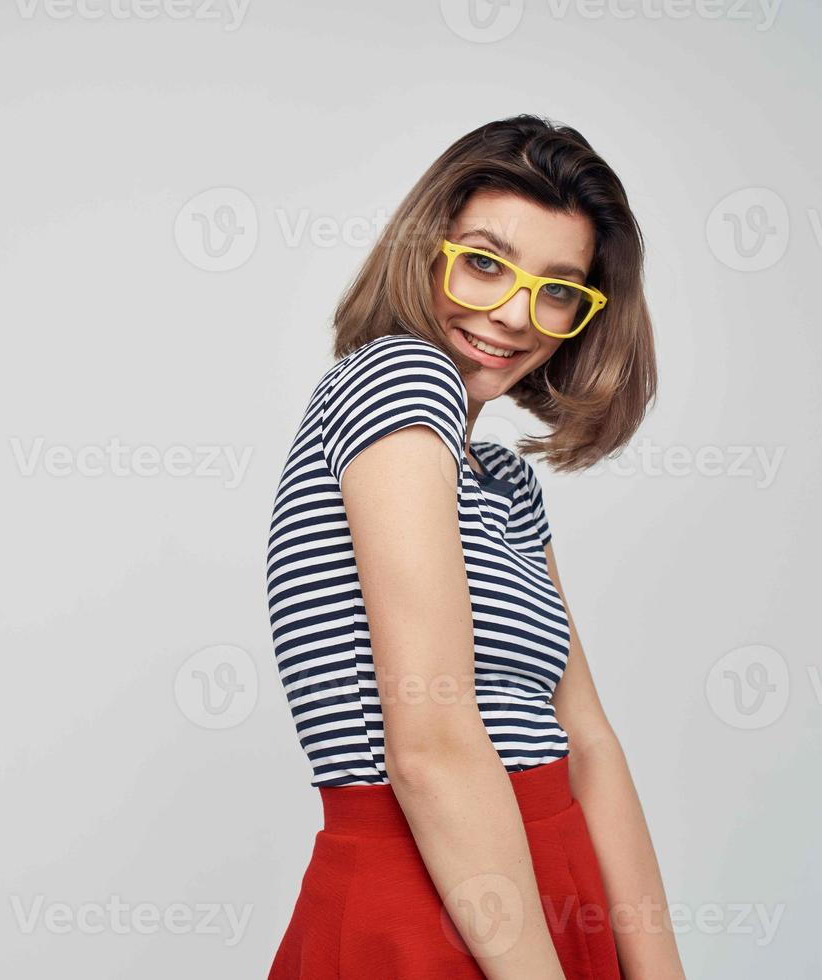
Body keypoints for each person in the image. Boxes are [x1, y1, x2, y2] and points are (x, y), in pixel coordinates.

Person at [263, 114, 684, 979]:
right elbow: (429, 745)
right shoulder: (397, 375)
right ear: (426, 251)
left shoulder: (502, 480)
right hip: (434, 896)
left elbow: (588, 739)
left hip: (554, 887)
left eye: (558, 288)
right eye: (485, 262)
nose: (513, 313)